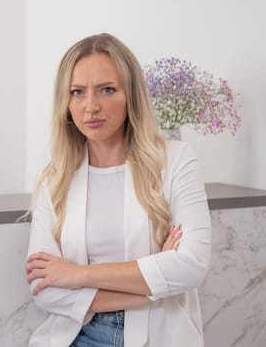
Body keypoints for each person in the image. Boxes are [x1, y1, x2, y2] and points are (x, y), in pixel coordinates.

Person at [25, 33, 211, 347]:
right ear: (66, 102)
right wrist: (152, 288)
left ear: (131, 95)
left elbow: (190, 266)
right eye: (77, 92)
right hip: (78, 334)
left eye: (107, 90)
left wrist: (77, 274)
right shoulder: (55, 178)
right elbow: (46, 286)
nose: (91, 106)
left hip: (159, 335)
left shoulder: (176, 161)